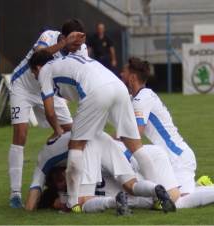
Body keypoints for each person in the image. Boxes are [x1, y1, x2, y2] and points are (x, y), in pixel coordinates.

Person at [28, 50, 159, 212]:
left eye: (33, 73)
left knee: (76, 145)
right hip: (118, 87)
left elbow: (49, 111)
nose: (35, 77)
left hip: (95, 92)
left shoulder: (45, 71)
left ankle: (73, 202)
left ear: (38, 67)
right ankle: (157, 194)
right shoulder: (67, 61)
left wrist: (57, 130)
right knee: (135, 146)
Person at [120, 57, 214, 203]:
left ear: (132, 77)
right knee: (171, 197)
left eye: (123, 72)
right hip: (171, 157)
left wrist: (117, 148)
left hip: (178, 157)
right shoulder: (136, 98)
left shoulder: (142, 99)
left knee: (177, 202)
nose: (121, 75)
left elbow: (135, 134)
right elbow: (127, 131)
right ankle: (202, 186)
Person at [8, 19, 87, 208]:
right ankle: (15, 193)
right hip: (24, 88)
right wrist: (62, 45)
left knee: (72, 133)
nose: (78, 46)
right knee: (21, 133)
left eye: (80, 41)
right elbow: (38, 56)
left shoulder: (81, 49)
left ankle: (65, 182)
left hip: (49, 88)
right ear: (65, 36)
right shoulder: (48, 36)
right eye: (74, 41)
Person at [25, 131, 175, 214]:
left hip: (92, 144)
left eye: (59, 178)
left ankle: (116, 201)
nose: (61, 180)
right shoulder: (64, 161)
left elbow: (38, 197)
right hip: (106, 140)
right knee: (132, 185)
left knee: (83, 202)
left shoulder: (49, 163)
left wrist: (27, 213)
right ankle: (155, 189)